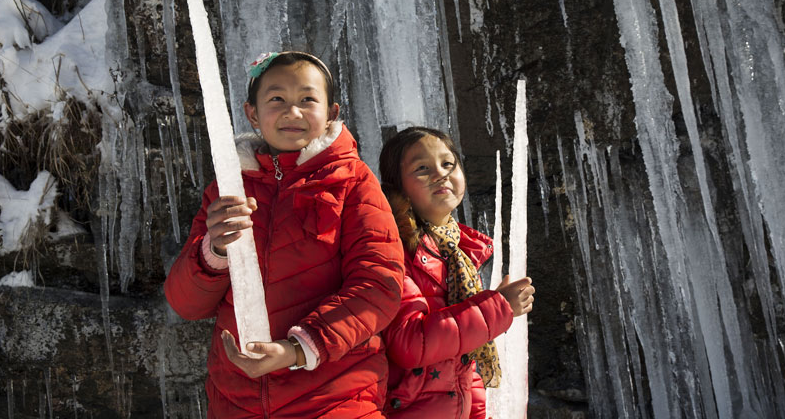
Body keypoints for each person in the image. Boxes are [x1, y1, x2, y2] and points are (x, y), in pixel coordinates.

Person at [164, 51, 405, 418]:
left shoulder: (354, 182)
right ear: (252, 114)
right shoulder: (227, 188)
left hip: (336, 395)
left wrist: (298, 349)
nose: (293, 113)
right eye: (277, 99)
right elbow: (187, 304)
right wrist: (213, 251)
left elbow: (379, 286)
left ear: (331, 114)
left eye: (308, 100)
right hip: (236, 399)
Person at [377, 126, 535, 418]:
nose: (440, 174)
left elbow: (463, 365)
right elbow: (410, 343)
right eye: (422, 168)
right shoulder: (393, 249)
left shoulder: (456, 252)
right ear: (397, 187)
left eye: (448, 164)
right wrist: (497, 307)